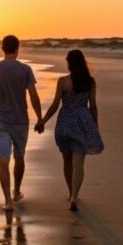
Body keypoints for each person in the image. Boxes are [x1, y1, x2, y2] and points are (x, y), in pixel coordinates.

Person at [35, 49, 103, 212]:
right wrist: (95, 127)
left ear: (70, 63)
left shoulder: (63, 82)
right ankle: (74, 196)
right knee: (78, 164)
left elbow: (55, 105)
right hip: (82, 122)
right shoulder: (90, 82)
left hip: (65, 123)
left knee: (67, 161)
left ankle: (70, 192)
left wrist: (42, 121)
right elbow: (93, 106)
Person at [0, 35, 43, 211]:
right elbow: (33, 95)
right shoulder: (25, 69)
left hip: (0, 121)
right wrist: (40, 118)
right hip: (20, 121)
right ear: (18, 48)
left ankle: (8, 201)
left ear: (2, 48)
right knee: (19, 157)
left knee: (3, 160)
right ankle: (16, 191)